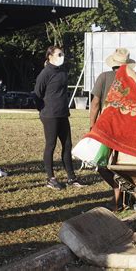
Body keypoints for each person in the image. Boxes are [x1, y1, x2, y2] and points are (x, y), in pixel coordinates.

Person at [34, 46, 85, 190]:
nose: (62, 56)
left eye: (62, 53)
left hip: (63, 114)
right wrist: (43, 110)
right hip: (50, 115)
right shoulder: (45, 73)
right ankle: (50, 178)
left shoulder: (62, 71)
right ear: (50, 56)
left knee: (67, 145)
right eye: (59, 54)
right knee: (51, 145)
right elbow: (37, 94)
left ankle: (71, 177)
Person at [90, 48, 135, 211]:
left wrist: (92, 125)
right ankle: (122, 196)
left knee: (101, 164)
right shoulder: (133, 79)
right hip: (127, 128)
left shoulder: (103, 77)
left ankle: (117, 195)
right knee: (121, 164)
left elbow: (95, 103)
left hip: (106, 127)